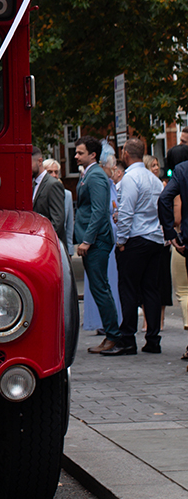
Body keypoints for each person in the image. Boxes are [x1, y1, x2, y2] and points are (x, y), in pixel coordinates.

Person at [114, 138, 165, 354]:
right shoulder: (153, 180)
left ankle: (127, 339)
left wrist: (121, 240)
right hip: (154, 238)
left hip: (136, 238)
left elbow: (126, 212)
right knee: (150, 289)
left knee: (128, 288)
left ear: (125, 154)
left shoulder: (130, 178)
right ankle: (153, 339)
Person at [74, 136, 124, 354]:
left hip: (97, 242)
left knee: (100, 288)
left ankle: (113, 336)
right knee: (98, 287)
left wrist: (87, 240)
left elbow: (98, 211)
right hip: (95, 241)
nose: (76, 156)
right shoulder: (90, 174)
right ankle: (111, 335)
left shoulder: (95, 176)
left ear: (93, 155)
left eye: (80, 152)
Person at [31, 147, 66, 246]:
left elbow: (57, 221)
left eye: (28, 164)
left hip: (48, 244)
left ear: (40, 161)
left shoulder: (53, 184)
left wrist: (43, 240)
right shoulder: (34, 184)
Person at [43, 158, 74, 253]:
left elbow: (69, 225)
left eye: (56, 172)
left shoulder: (67, 195)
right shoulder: (40, 194)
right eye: (50, 172)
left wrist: (70, 250)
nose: (54, 175)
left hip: (61, 244)